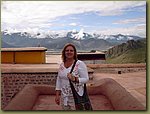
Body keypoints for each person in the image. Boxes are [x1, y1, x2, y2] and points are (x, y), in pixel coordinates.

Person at [55, 43, 89, 110]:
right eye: (67, 50)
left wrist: (75, 79)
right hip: (64, 97)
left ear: (74, 52)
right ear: (64, 52)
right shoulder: (61, 65)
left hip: (76, 96)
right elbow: (59, 80)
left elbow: (86, 79)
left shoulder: (79, 64)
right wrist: (57, 95)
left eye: (71, 50)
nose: (69, 52)